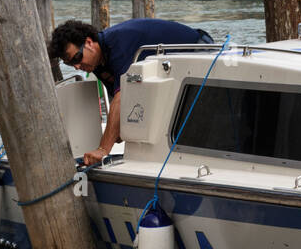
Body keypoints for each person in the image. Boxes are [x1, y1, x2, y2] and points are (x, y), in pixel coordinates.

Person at [49, 18, 213, 166]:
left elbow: (121, 99)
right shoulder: (98, 63)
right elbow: (122, 100)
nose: (77, 66)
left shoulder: (118, 45)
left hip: (200, 48)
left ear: (89, 42)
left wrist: (102, 150)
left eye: (76, 58)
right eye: (70, 64)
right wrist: (117, 131)